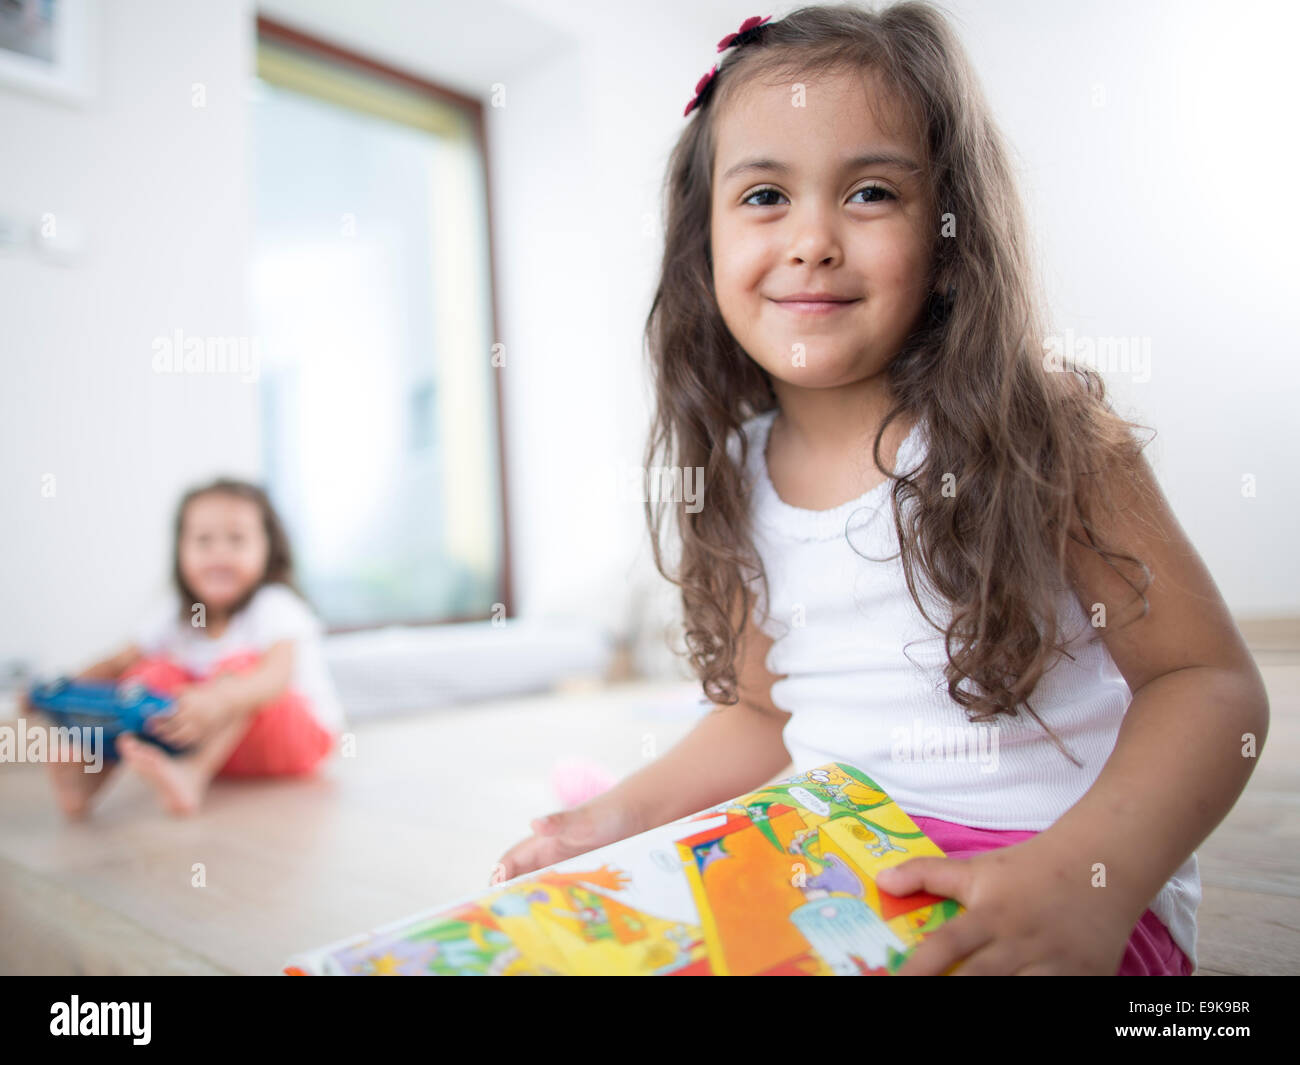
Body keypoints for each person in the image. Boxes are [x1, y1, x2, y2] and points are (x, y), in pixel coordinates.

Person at [495, 4, 1270, 975]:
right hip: (831, 872)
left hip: (1051, 889)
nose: (813, 238)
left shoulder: (1045, 434)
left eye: (868, 193)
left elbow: (1205, 685)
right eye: (765, 196)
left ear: (947, 238)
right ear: (702, 245)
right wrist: (611, 816)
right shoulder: (734, 471)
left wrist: (1084, 875)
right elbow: (759, 716)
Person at [43, 478, 344, 817]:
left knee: (241, 670)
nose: (219, 553)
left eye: (237, 539)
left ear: (268, 549)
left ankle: (192, 774)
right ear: (181, 550)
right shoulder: (174, 612)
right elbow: (116, 664)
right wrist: (59, 689)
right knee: (147, 674)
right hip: (215, 745)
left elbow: (275, 677)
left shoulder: (274, 604)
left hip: (295, 744)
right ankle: (90, 777)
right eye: (204, 540)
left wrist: (221, 699)